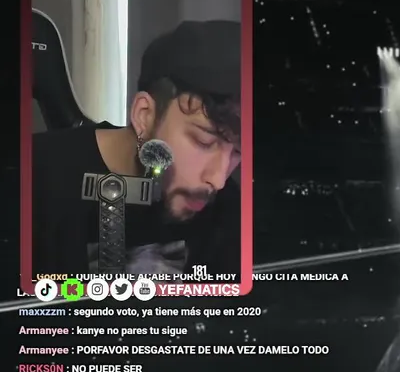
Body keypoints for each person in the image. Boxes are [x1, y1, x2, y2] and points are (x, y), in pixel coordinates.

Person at [30, 20, 242, 277]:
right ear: (144, 115)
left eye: (238, 152)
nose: (218, 180)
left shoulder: (227, 207)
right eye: (204, 142)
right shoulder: (32, 179)